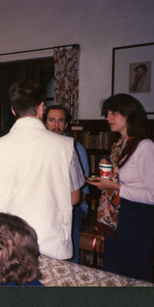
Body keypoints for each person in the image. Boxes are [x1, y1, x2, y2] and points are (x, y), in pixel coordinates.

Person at [0, 80, 85, 260]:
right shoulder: (66, 146)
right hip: (52, 242)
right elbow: (75, 198)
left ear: (13, 110)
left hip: (11, 241)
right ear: (42, 108)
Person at [87, 93, 154, 281]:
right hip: (117, 220)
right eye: (107, 113)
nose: (108, 118)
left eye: (114, 112)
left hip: (136, 220)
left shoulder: (146, 147)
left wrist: (115, 186)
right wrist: (106, 180)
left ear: (129, 114)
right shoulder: (120, 146)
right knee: (113, 276)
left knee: (133, 277)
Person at [44, 104, 90, 264]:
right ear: (44, 123)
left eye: (60, 121)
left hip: (73, 206)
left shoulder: (77, 149)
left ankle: (71, 275)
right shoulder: (40, 147)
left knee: (69, 227)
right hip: (46, 204)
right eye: (51, 120)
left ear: (66, 124)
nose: (56, 125)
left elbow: (83, 195)